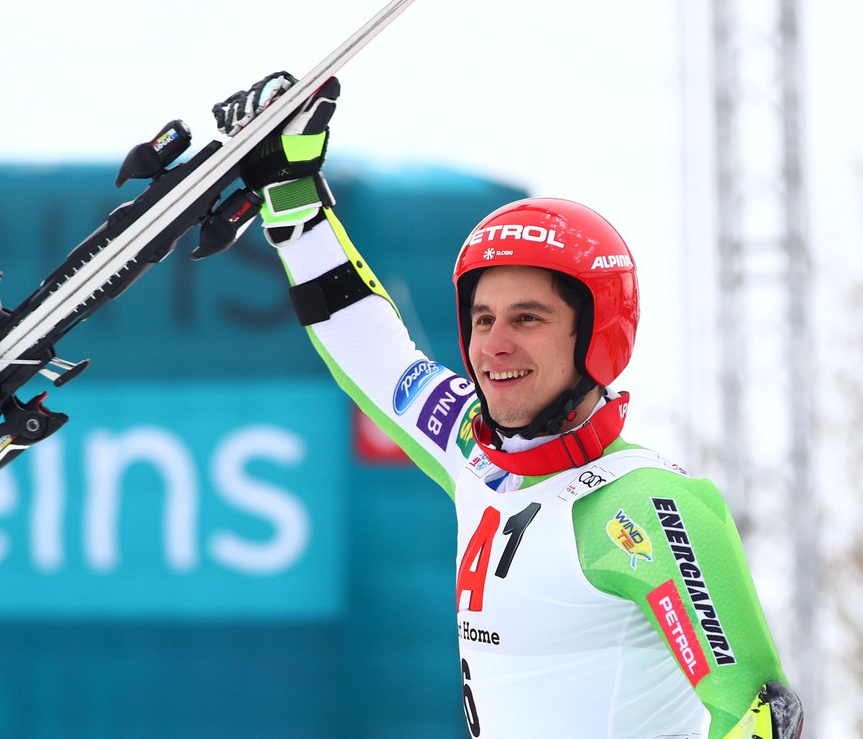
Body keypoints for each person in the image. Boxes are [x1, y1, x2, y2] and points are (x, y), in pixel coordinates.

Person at [212, 72, 805, 739]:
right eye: (482, 318)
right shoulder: (475, 448)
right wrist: (294, 210)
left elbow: (759, 714)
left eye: (528, 318)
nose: (494, 345)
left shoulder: (645, 504)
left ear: (596, 335)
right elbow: (372, 355)